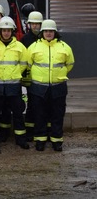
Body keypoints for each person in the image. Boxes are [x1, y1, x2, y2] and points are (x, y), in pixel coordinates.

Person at [27, 19, 74, 152]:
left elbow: (70, 64)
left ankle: (56, 141)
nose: (48, 33)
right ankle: (40, 140)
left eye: (51, 31)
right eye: (46, 31)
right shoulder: (34, 47)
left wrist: (58, 75)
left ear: (55, 32)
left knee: (57, 115)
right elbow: (28, 65)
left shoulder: (65, 47)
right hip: (38, 87)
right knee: (39, 114)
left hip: (58, 86)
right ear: (42, 32)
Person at [0, 16, 29, 149]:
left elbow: (24, 63)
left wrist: (15, 73)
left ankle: (20, 138)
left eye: (8, 30)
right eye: (3, 30)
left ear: (12, 31)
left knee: (17, 113)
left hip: (14, 84)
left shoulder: (20, 47)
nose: (6, 32)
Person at [20, 10, 44, 140]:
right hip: (30, 78)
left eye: (37, 24)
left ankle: (42, 129)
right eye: (33, 24)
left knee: (43, 105)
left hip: (43, 78)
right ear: (29, 25)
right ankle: (29, 130)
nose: (35, 26)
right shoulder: (25, 39)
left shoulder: (45, 37)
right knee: (31, 105)